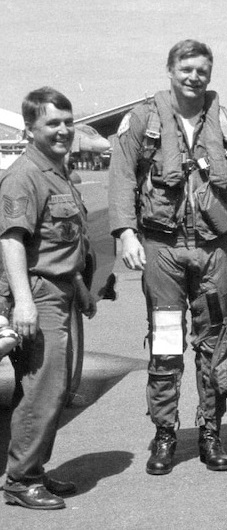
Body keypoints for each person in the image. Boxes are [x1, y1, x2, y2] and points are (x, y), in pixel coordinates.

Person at [108, 39, 227, 475]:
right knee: (167, 342)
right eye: (187, 69)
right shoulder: (143, 119)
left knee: (214, 345)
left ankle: (211, 431)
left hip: (216, 250)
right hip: (163, 248)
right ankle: (165, 433)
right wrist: (125, 233)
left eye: (202, 70)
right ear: (170, 69)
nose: (194, 77)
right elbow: (122, 178)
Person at [0, 87, 94, 509]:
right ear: (29, 129)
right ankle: (20, 479)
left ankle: (34, 469)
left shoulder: (58, 172)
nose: (63, 131)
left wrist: (80, 288)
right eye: (52, 124)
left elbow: (60, 244)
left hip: (60, 291)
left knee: (54, 388)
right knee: (43, 389)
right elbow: (12, 241)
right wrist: (22, 302)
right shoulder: (25, 175)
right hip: (37, 294)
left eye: (67, 122)